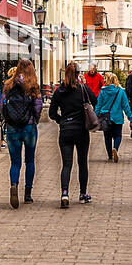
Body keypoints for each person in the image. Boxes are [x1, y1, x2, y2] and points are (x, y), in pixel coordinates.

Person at [48, 60, 96, 207]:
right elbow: (95, 100)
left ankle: (65, 193)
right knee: (82, 162)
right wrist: (85, 84)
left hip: (66, 130)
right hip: (81, 130)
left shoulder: (59, 91)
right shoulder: (82, 88)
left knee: (66, 164)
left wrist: (61, 120)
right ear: (78, 74)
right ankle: (82, 193)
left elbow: (51, 113)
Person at [2, 57, 43, 209]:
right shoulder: (33, 86)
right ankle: (28, 194)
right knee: (30, 160)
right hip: (29, 127)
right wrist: (34, 119)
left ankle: (14, 185)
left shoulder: (8, 85)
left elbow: (2, 106)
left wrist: (9, 119)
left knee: (15, 162)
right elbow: (38, 107)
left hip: (12, 127)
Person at [95, 71, 132, 162]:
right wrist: (131, 119)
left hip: (105, 118)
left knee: (107, 137)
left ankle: (110, 155)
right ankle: (115, 148)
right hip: (117, 118)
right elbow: (126, 106)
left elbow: (98, 105)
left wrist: (95, 116)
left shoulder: (103, 91)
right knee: (118, 135)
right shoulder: (121, 91)